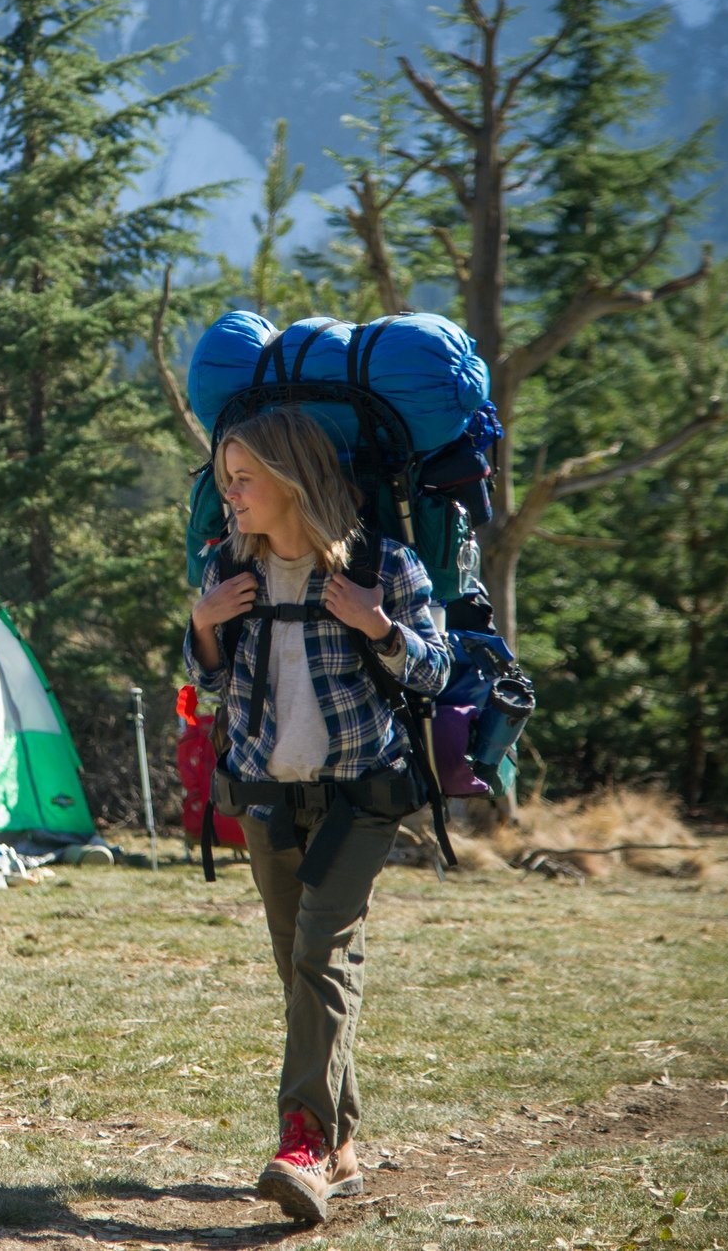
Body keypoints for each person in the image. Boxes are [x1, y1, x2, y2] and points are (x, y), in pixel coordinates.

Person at [184, 407, 451, 1226]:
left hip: (360, 797)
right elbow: (212, 694)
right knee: (303, 970)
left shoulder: (386, 566)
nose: (230, 496)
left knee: (317, 957)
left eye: (243, 480)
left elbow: (438, 671)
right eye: (226, 480)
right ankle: (341, 1150)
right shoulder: (231, 569)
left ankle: (299, 1142)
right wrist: (204, 627)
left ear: (292, 480)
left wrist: (379, 625)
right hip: (267, 796)